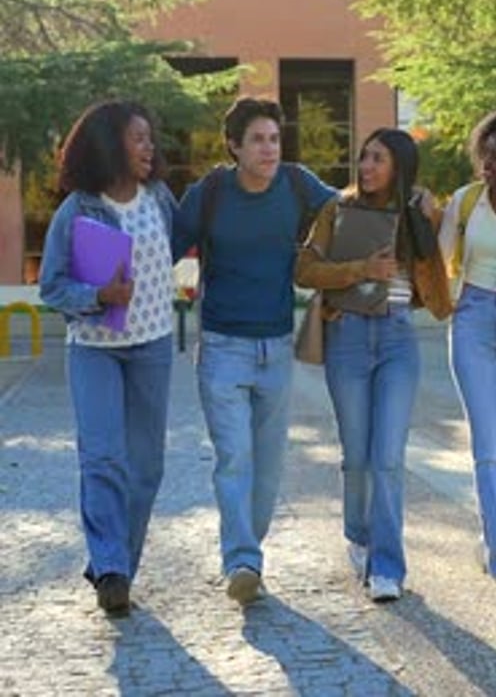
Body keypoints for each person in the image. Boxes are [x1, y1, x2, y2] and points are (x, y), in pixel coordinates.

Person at [175, 96, 335, 606]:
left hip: (277, 346)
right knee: (234, 458)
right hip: (222, 346)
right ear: (234, 147)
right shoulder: (211, 193)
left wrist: (410, 198)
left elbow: (349, 207)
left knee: (268, 466)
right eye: (258, 140)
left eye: (274, 138)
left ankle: (249, 548)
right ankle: (242, 560)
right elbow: (163, 245)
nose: (269, 148)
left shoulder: (296, 183)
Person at [295, 128, 451, 602]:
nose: (365, 167)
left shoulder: (419, 210)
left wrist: (429, 215)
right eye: (364, 157)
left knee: (388, 458)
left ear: (399, 166)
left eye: (377, 159)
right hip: (348, 337)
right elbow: (304, 270)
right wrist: (362, 269)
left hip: (398, 339)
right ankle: (358, 535)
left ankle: (388, 567)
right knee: (358, 456)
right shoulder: (336, 209)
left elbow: (440, 283)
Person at [39, 99, 177, 616]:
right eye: (138, 137)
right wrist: (99, 296)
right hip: (95, 351)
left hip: (152, 347)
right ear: (109, 143)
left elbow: (184, 245)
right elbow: (52, 285)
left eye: (149, 138)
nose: (149, 147)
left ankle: (117, 564)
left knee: (146, 467)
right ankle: (112, 570)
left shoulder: (160, 198)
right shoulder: (78, 208)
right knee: (102, 460)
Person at [439, 112, 496, 580]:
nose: (494, 165)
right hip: (474, 319)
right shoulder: (465, 203)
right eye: (489, 156)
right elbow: (437, 263)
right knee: (488, 443)